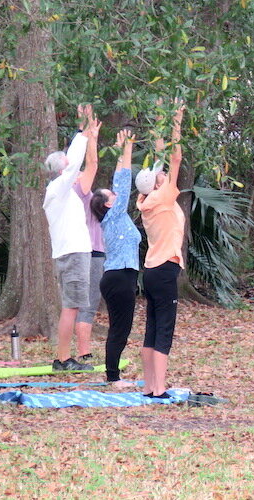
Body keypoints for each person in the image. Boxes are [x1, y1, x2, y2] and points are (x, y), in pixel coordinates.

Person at [135, 101, 185, 399]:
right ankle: (159, 389)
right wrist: (176, 120)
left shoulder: (148, 201)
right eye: (160, 176)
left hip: (152, 270)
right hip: (165, 269)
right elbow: (175, 159)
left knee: (152, 328)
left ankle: (150, 387)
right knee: (163, 329)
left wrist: (158, 122)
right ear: (156, 185)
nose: (164, 173)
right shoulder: (164, 196)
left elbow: (161, 162)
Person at [42, 105, 98, 371]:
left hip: (72, 252)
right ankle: (63, 359)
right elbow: (75, 161)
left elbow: (79, 164)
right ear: (61, 168)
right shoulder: (59, 187)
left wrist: (85, 132)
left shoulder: (60, 192)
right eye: (65, 160)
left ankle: (64, 357)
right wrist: (82, 130)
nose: (69, 161)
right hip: (73, 253)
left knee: (72, 306)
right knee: (71, 307)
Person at [90, 129, 142, 387]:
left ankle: (113, 376)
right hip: (119, 277)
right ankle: (113, 378)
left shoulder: (117, 217)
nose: (116, 194)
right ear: (108, 204)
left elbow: (120, 184)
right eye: (111, 195)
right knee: (119, 330)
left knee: (120, 328)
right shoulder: (114, 215)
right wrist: (127, 148)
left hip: (121, 277)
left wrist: (123, 150)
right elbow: (123, 181)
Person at [72, 105, 104, 363]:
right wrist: (91, 135)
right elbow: (91, 163)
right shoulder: (78, 188)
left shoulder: (63, 188)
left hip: (82, 251)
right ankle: (84, 352)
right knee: (88, 304)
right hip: (91, 252)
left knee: (79, 303)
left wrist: (83, 128)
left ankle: (79, 351)